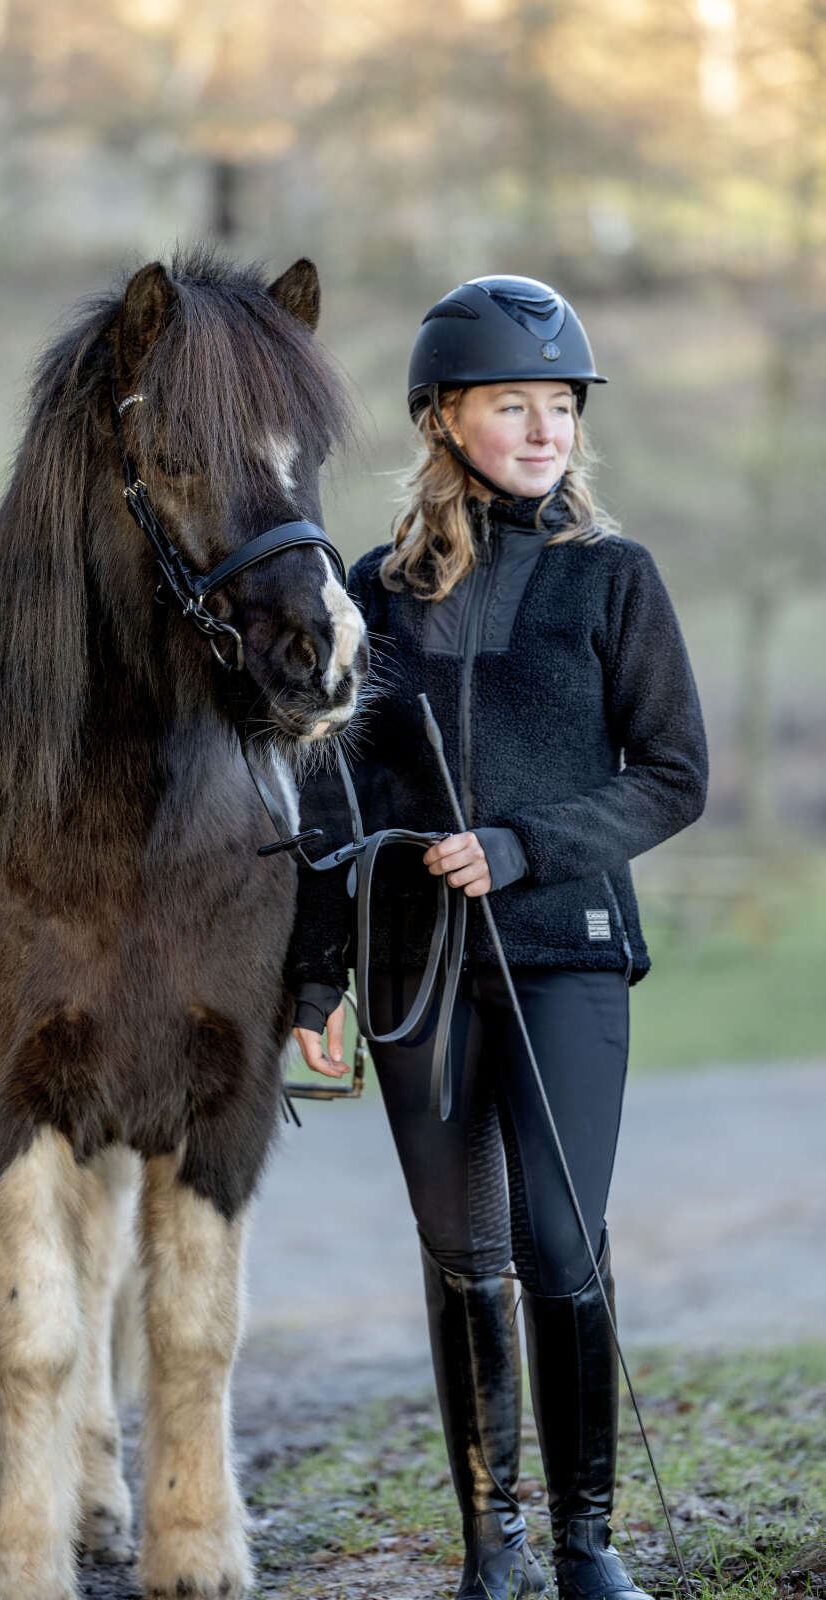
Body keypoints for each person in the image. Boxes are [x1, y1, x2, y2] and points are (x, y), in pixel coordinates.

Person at [286, 275, 708, 1600]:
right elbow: (326, 795)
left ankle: (587, 1544)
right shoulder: (371, 593)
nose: (543, 428)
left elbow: (673, 774)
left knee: (558, 1248)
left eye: (560, 405)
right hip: (417, 969)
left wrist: (525, 845)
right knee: (461, 1256)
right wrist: (313, 972)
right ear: (443, 419)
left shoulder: (613, 579)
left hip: (567, 954)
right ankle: (496, 1547)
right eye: (511, 404)